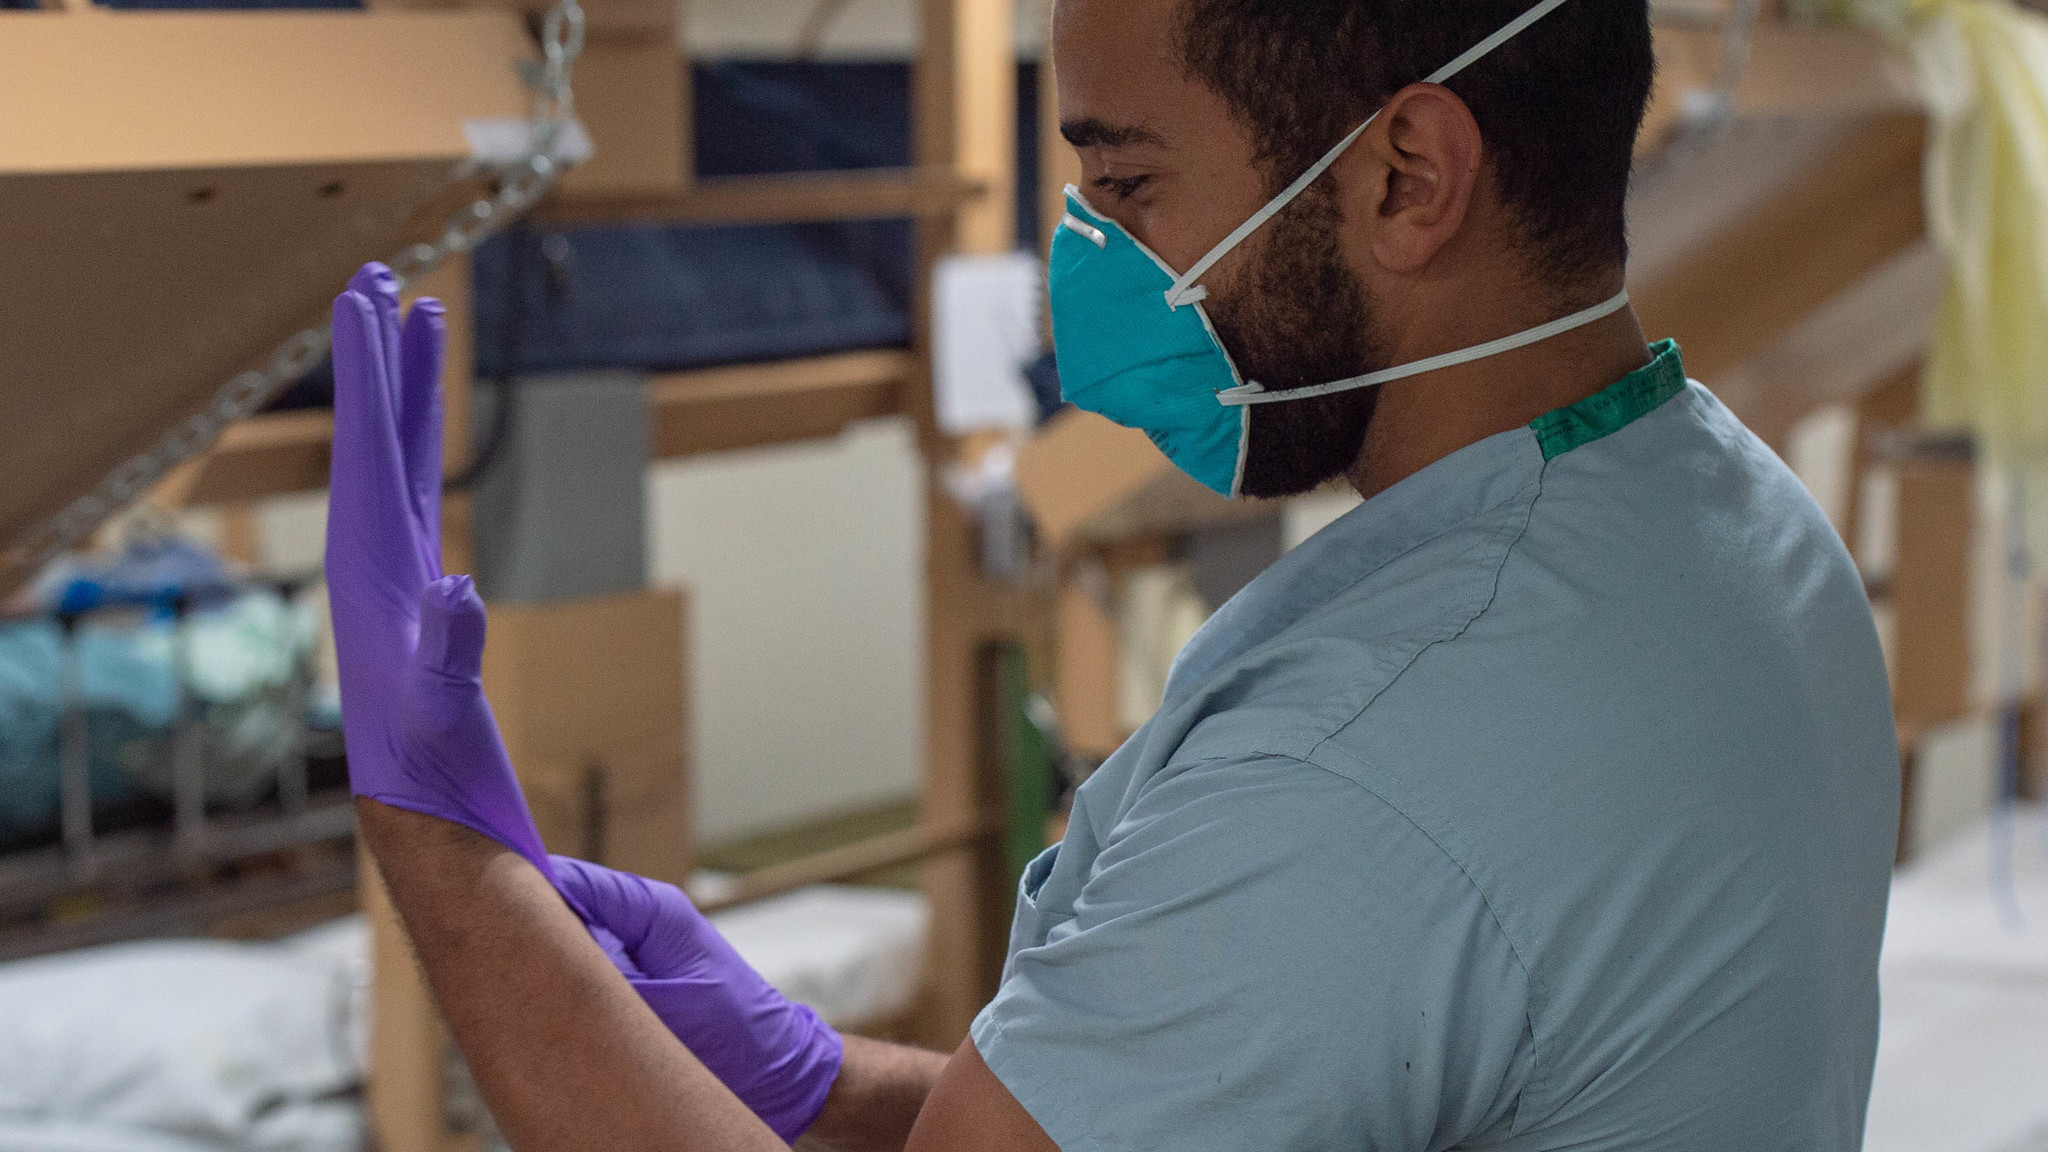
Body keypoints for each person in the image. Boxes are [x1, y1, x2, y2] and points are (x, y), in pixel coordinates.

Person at [330, 0, 1900, 1147]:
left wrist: (449, 867)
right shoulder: (1736, 526)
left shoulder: (1361, 763)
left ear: (1408, 177)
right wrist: (816, 1082)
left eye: (1130, 187)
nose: (1087, 260)